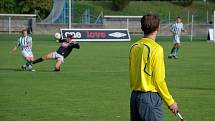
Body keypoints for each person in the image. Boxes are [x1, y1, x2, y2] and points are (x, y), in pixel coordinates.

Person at [129, 13, 178, 121]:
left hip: (134, 97)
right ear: (158, 28)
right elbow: (159, 80)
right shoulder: (156, 49)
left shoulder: (134, 47)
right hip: (149, 98)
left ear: (142, 28)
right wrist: (170, 101)